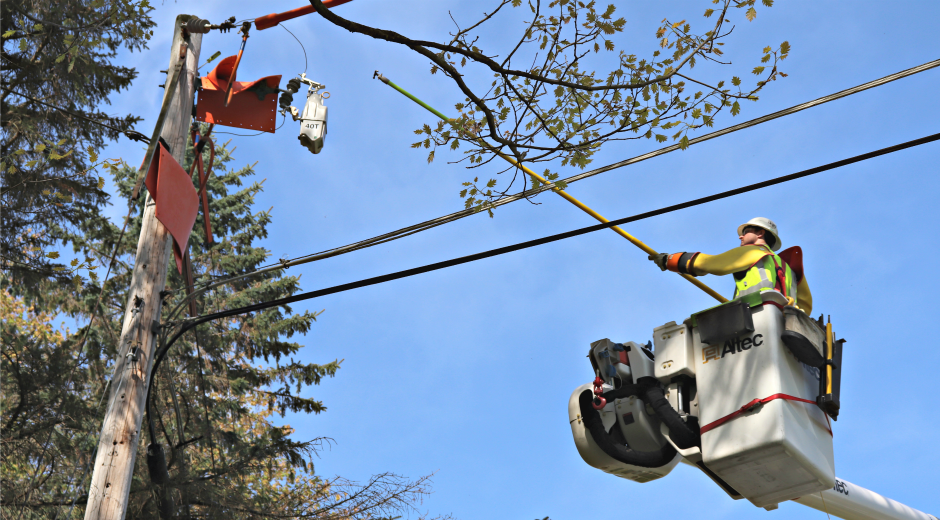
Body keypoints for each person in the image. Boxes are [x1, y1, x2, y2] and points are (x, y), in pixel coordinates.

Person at [649, 217, 812, 315]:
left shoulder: (753, 252)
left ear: (760, 233)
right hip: (785, 323)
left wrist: (669, 260)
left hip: (756, 316)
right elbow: (806, 305)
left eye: (746, 231)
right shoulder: (790, 269)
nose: (741, 236)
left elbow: (711, 264)